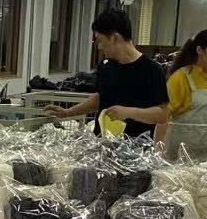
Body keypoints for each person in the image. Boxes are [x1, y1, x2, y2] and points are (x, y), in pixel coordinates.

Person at [46, 9, 168, 139]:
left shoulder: (152, 70)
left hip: (135, 147)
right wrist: (68, 112)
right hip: (102, 145)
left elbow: (162, 114)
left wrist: (129, 112)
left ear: (115, 38)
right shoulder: (105, 66)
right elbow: (101, 98)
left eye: (100, 40)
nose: (99, 47)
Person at [164, 29, 207, 162]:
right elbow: (163, 115)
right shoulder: (180, 77)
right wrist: (158, 150)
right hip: (179, 152)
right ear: (199, 50)